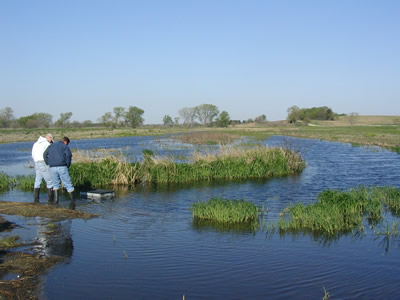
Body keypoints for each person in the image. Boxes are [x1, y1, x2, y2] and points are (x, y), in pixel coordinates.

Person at [44, 136, 75, 209]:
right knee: (68, 184)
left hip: (52, 168)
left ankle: (56, 201)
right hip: (62, 166)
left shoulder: (51, 146)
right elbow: (69, 155)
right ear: (65, 142)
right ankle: (73, 202)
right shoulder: (64, 146)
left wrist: (48, 163)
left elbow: (44, 155)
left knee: (55, 185)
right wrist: (67, 164)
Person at [32, 133, 54, 203]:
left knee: (37, 181)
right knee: (50, 181)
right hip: (43, 162)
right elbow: (49, 154)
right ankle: (51, 201)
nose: (51, 141)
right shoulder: (47, 144)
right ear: (50, 138)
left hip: (36, 163)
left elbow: (32, 153)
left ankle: (36, 200)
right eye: (51, 140)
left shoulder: (36, 143)